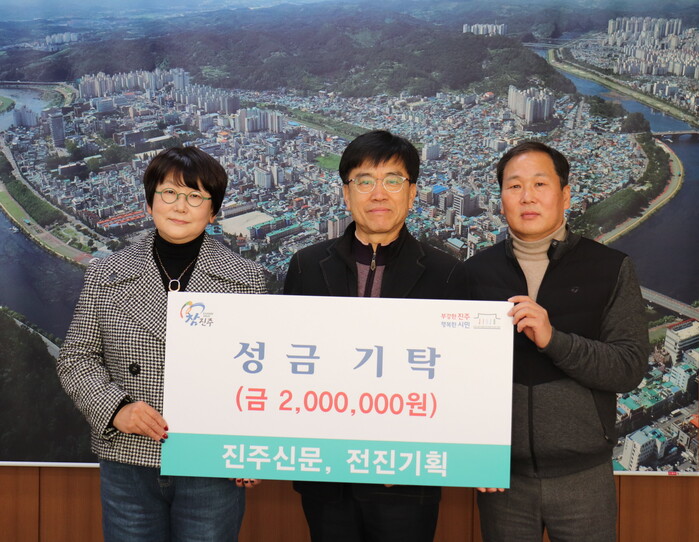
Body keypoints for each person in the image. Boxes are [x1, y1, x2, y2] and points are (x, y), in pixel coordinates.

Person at [57, 146, 266, 542]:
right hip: (129, 455)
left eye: (195, 196)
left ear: (214, 212)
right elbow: (76, 358)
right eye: (169, 192)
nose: (180, 206)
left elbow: (259, 372)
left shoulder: (246, 279)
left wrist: (251, 448)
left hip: (211, 460)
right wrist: (116, 409)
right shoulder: (106, 273)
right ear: (149, 202)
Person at [284, 130, 466, 542]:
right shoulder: (306, 265)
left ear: (412, 192)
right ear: (346, 194)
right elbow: (285, 365)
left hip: (406, 478)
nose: (378, 193)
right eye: (364, 181)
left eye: (393, 180)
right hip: (325, 474)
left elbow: (458, 378)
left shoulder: (447, 274)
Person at [462, 141, 648, 542]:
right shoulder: (474, 273)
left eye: (540, 184)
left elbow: (629, 367)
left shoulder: (610, 268)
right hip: (501, 477)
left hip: (584, 475)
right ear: (500, 199)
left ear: (565, 195)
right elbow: (456, 376)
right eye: (514, 186)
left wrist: (554, 341)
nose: (527, 196)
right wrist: (474, 451)